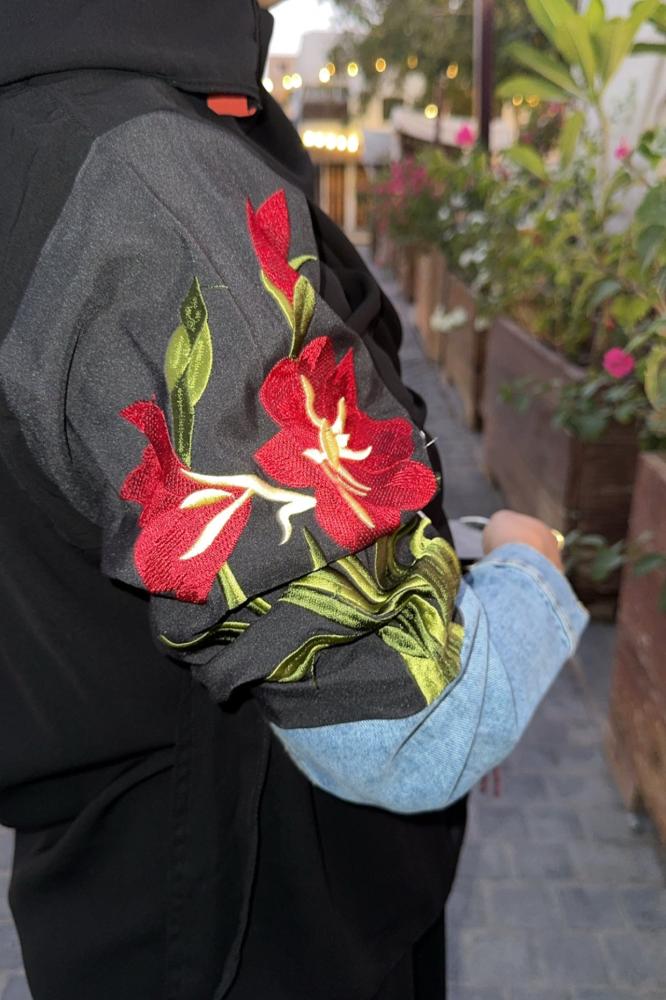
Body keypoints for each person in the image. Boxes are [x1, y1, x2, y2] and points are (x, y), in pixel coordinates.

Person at [0, 1, 588, 997]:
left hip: (126, 884)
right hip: (257, 910)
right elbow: (407, 727)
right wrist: (531, 562)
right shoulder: (145, 179)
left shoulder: (49, 124)